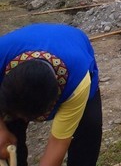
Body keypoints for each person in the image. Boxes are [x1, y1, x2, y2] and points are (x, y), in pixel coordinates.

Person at [0, 24, 102, 166]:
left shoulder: (76, 83)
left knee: (88, 131)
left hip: (73, 52)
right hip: (23, 45)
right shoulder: (1, 54)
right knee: (8, 138)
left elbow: (58, 144)